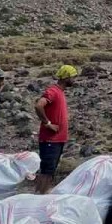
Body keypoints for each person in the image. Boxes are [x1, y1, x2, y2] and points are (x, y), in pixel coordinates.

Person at [34, 65, 77, 194]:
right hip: (50, 139)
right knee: (47, 170)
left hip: (57, 139)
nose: (75, 80)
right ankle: (40, 196)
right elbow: (39, 105)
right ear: (66, 77)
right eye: (73, 77)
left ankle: (42, 194)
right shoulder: (53, 91)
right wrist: (47, 123)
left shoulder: (60, 92)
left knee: (50, 170)